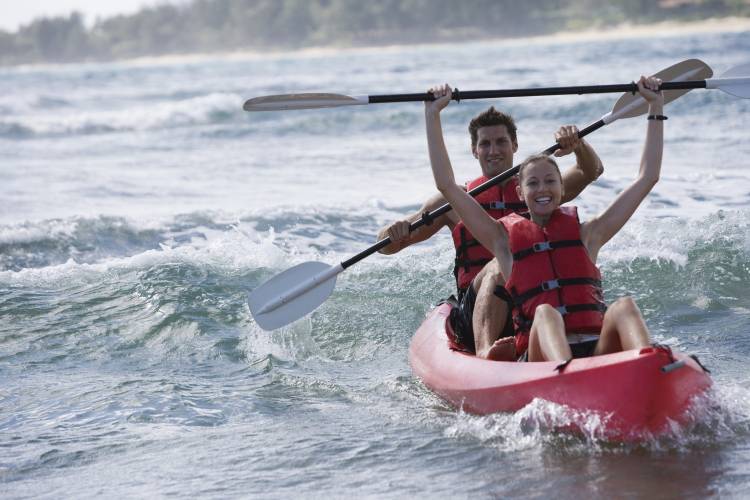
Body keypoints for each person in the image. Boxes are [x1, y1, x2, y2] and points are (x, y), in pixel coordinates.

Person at [425, 76, 664, 363]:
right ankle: (563, 373)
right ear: (520, 193)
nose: (542, 189)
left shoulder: (589, 235)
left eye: (550, 181)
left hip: (594, 348)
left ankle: (649, 364)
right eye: (533, 184)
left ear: (563, 189)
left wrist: (655, 105)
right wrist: (432, 113)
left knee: (624, 305)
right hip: (542, 356)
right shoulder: (503, 243)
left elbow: (647, 177)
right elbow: (447, 186)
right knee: (546, 314)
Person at [377, 108, 603, 360]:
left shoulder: (537, 191)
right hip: (475, 310)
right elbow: (387, 247)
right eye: (485, 143)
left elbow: (590, 171)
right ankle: (486, 353)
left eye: (501, 142)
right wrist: (392, 232)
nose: (493, 150)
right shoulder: (454, 201)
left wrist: (578, 144)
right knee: (499, 265)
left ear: (514, 145)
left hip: (532, 299)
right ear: (475, 151)